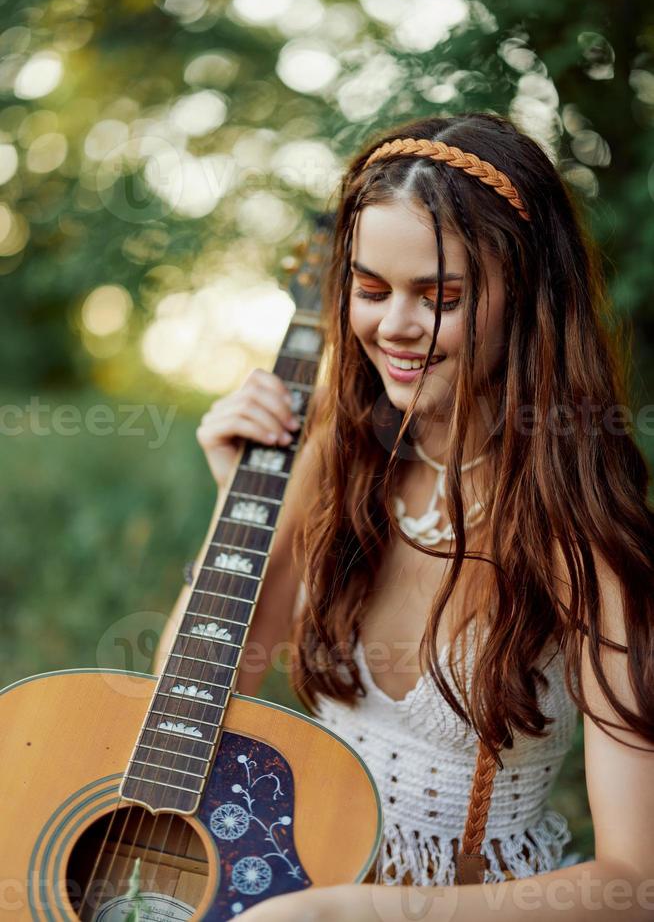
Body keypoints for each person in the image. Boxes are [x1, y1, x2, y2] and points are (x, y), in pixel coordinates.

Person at [155, 113, 654, 921]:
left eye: (441, 297)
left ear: (526, 299)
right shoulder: (336, 458)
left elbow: (638, 881)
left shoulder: (578, 535)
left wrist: (354, 913)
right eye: (372, 289)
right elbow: (188, 722)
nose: (394, 327)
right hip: (292, 890)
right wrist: (236, 510)